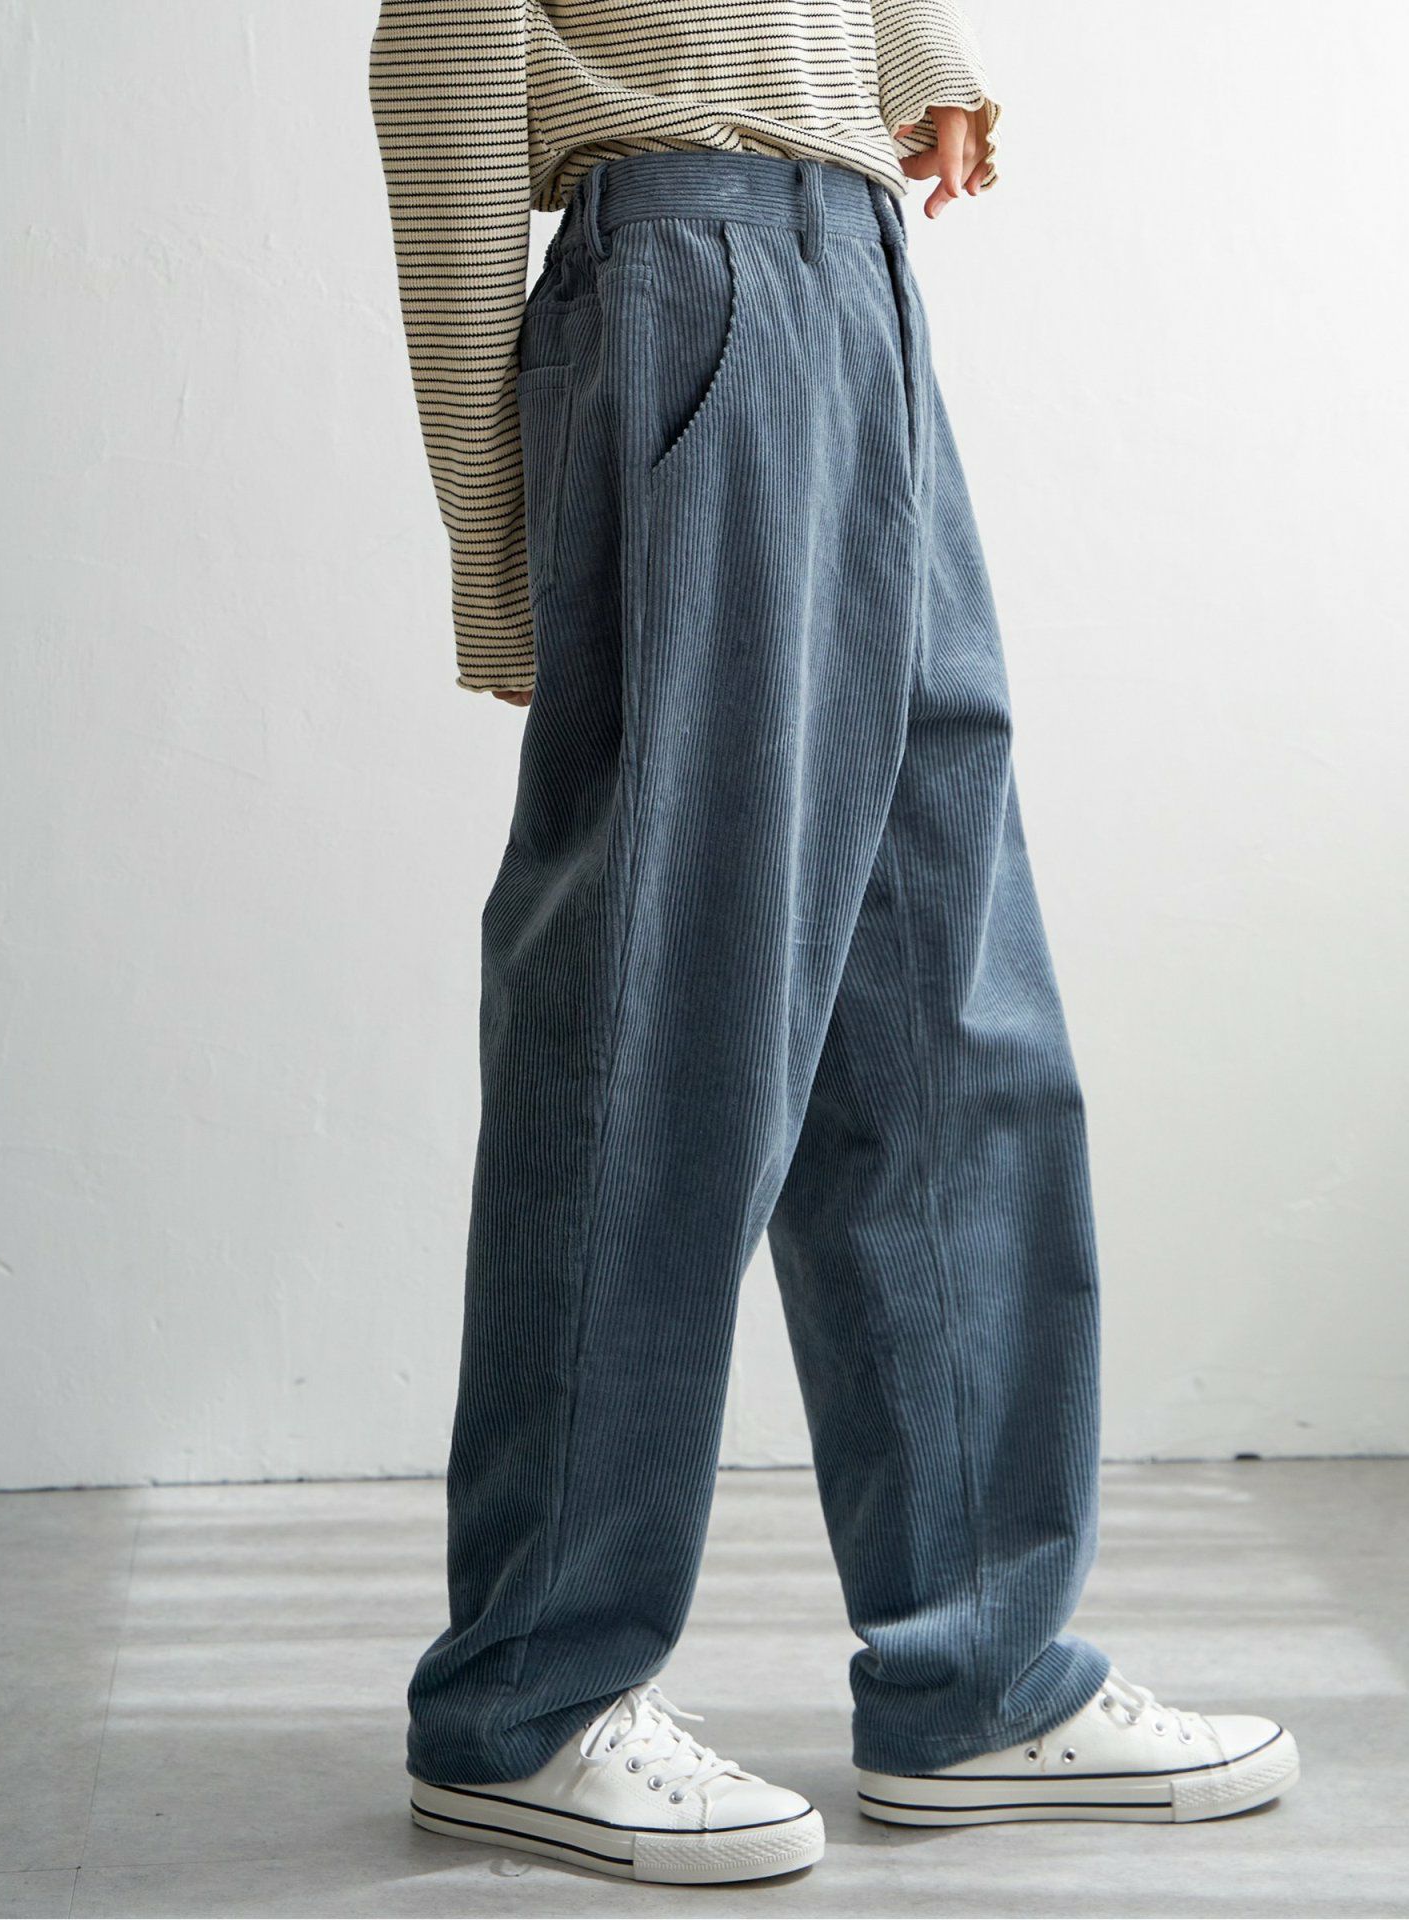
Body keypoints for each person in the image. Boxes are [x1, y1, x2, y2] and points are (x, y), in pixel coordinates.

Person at [368, 0, 1299, 1885]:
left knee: (947, 1020)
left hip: (858, 284)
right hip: (687, 286)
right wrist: (496, 550)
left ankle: (981, 1677)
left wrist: (913, 58)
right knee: (658, 1026)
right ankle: (524, 1702)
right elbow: (442, 70)